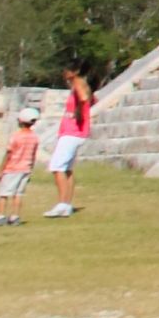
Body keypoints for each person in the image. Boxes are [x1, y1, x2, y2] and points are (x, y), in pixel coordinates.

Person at [44, 67, 92, 218]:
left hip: (72, 132)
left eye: (67, 70)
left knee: (56, 167)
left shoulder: (77, 82)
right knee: (67, 170)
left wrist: (78, 111)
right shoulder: (82, 84)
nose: (64, 73)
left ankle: (61, 205)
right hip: (75, 133)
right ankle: (66, 204)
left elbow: (84, 99)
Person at [0, 108, 40, 227]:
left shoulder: (16, 136)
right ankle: (15, 217)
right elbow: (33, 155)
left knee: (3, 193)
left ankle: (0, 216)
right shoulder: (34, 138)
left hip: (12, 169)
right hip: (26, 169)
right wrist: (31, 169)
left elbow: (9, 154)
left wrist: (1, 169)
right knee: (18, 194)